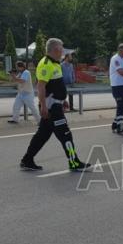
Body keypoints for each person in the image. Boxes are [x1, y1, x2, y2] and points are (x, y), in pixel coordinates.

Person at [20, 38, 91, 172]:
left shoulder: (56, 63)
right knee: (65, 134)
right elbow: (41, 86)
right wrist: (44, 106)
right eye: (61, 49)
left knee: (42, 135)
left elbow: (56, 85)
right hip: (51, 107)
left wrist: (62, 99)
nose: (63, 52)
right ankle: (74, 162)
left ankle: (27, 160)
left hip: (55, 104)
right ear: (55, 49)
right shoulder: (46, 63)